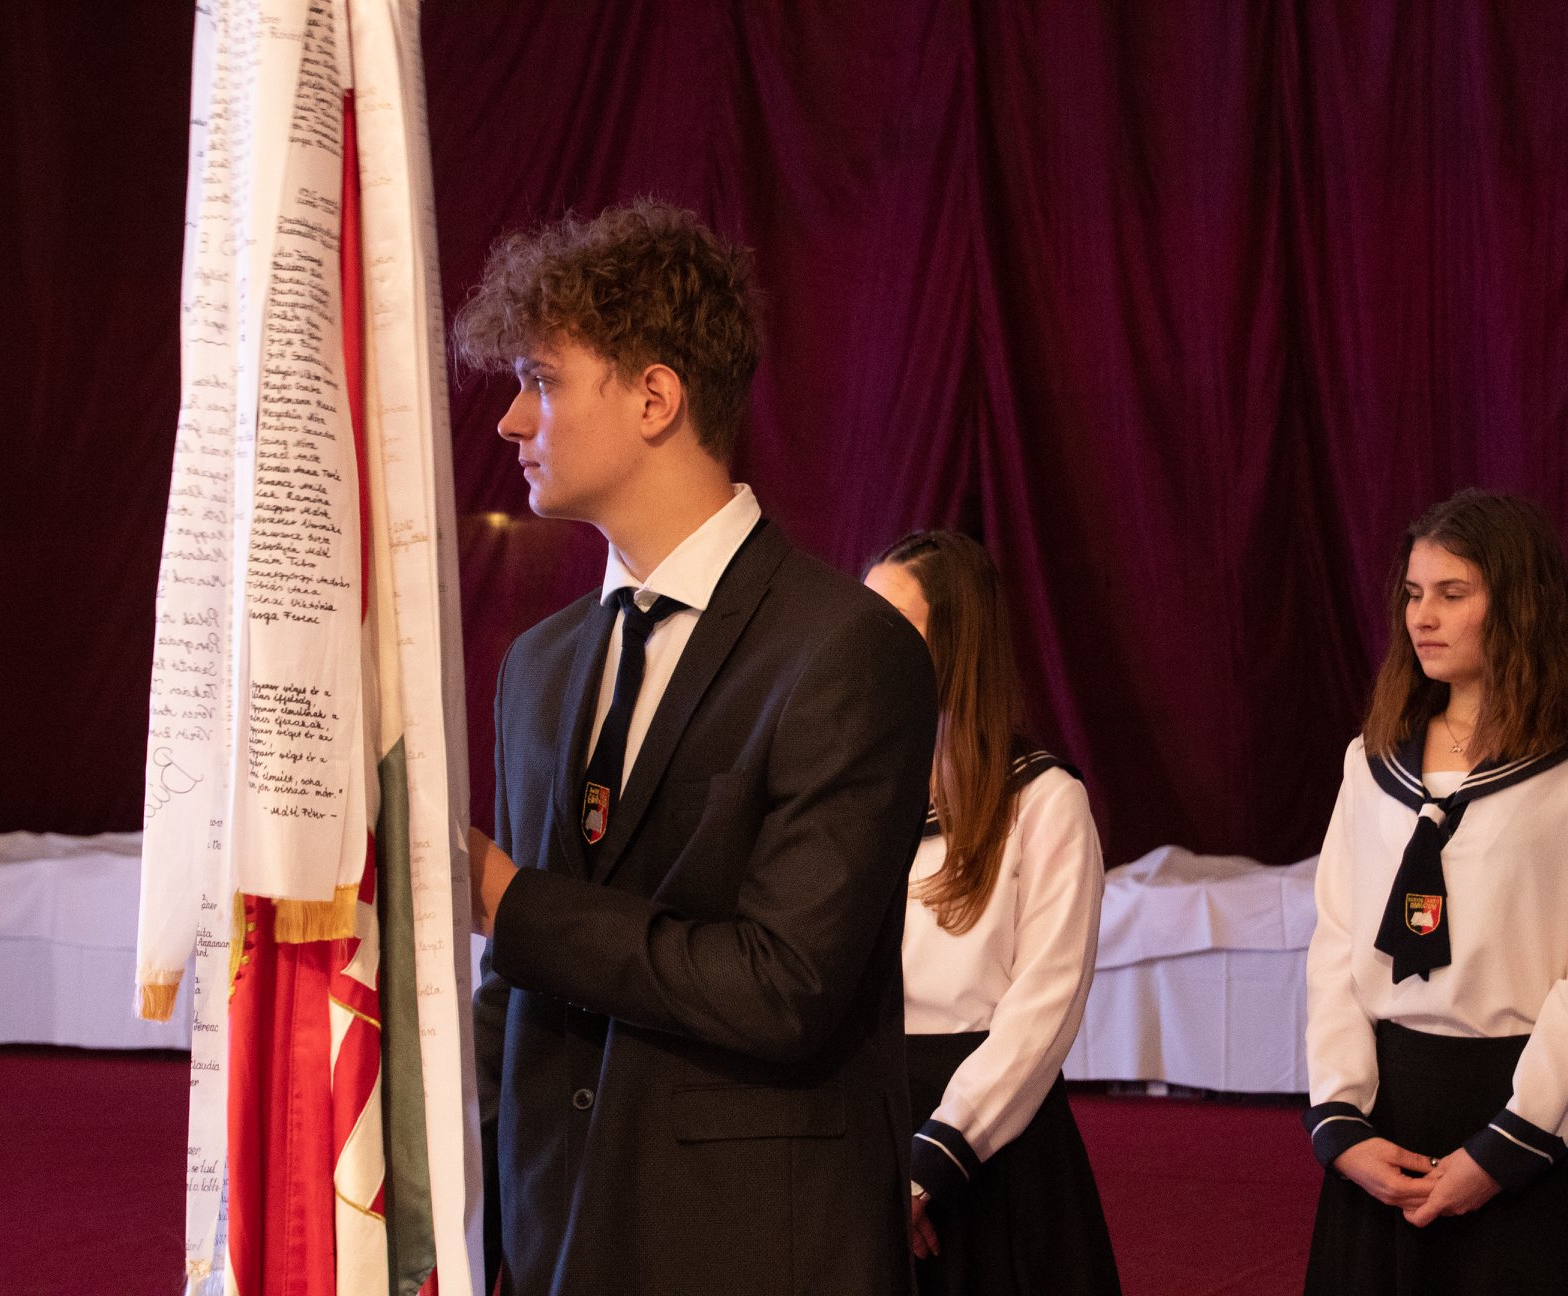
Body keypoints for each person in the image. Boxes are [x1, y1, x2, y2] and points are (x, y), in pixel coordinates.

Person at [455, 201, 939, 1296]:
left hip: (754, 1249)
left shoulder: (846, 649)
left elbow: (785, 986)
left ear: (655, 398)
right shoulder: (537, 665)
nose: (512, 424)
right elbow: (512, 997)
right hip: (550, 1243)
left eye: (541, 381)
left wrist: (510, 901)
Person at [1302, 489, 1568, 1294]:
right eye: (1413, 594)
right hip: (1386, 1133)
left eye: (1452, 593)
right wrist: (1341, 1120)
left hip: (1529, 1130)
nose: (1422, 617)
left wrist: (1510, 1145)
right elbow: (1336, 945)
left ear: (1520, 606)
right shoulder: (1371, 760)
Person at [864, 530, 1122, 1296]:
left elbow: (1044, 1009)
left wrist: (929, 1166)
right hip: (866, 1130)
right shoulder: (856, 790)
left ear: (957, 645)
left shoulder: (1043, 800)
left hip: (989, 1147)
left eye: (892, 625)